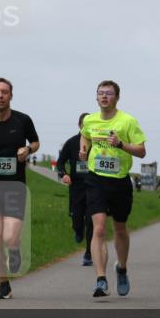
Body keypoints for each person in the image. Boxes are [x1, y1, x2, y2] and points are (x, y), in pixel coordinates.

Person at [78, 80, 147, 298]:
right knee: (98, 228)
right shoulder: (90, 120)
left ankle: (122, 268)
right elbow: (86, 134)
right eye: (100, 93)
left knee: (119, 228)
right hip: (96, 179)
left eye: (109, 93)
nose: (104, 97)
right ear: (96, 97)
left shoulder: (128, 121)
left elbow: (142, 151)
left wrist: (121, 145)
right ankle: (100, 279)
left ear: (117, 97)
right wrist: (84, 148)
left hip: (119, 181)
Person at [0, 77, 40, 299]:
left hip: (15, 186)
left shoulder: (23, 120)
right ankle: (4, 284)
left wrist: (27, 149)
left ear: (11, 95)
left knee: (10, 237)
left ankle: (14, 248)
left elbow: (36, 141)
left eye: (4, 92)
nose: (0, 95)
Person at [57, 113, 93, 266]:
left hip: (94, 186)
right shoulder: (71, 143)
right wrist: (64, 174)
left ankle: (88, 254)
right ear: (79, 125)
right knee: (77, 220)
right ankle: (78, 230)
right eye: (84, 124)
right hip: (77, 186)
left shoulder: (98, 143)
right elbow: (60, 163)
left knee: (92, 221)